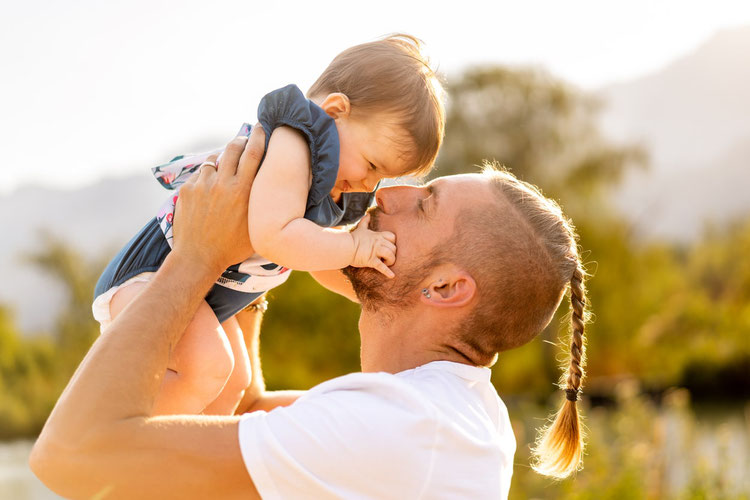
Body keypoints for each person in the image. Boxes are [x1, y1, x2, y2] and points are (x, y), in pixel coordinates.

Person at [30, 127, 589, 499]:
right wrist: (252, 252)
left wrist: (195, 257)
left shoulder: (401, 428)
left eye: (423, 204)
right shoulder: (441, 412)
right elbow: (242, 410)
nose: (388, 194)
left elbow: (73, 455)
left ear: (444, 287)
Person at [91, 34, 446, 416]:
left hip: (201, 294)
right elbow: (275, 236)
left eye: (381, 178)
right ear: (334, 111)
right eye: (373, 166)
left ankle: (194, 464)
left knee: (232, 385)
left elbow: (317, 261)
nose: (367, 185)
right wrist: (354, 247)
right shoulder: (294, 142)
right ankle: (120, 436)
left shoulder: (328, 185)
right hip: (153, 275)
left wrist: (378, 297)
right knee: (211, 368)